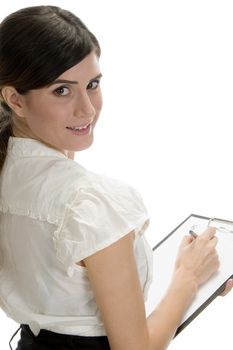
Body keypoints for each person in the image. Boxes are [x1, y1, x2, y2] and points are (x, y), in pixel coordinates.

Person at [0, 5, 232, 350]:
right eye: (61, 90)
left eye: (92, 84)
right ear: (15, 99)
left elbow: (71, 299)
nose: (87, 108)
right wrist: (188, 279)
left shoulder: (8, 173)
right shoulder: (90, 201)